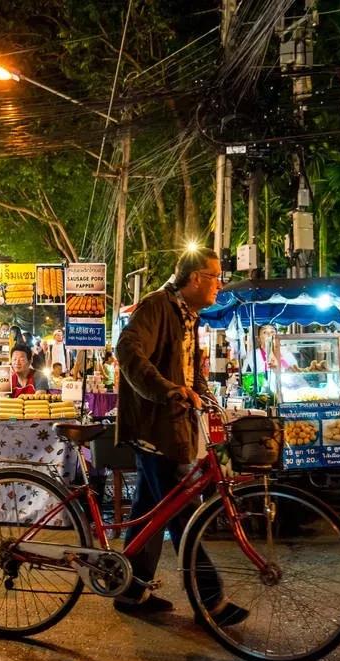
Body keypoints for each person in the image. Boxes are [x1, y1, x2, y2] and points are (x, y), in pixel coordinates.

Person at [115, 247, 246, 624]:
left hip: (174, 427)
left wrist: (205, 395)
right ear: (195, 278)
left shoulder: (188, 316)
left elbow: (188, 370)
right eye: (215, 277)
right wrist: (167, 390)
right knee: (181, 514)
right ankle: (211, 601)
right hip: (154, 428)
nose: (219, 285)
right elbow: (127, 350)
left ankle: (130, 590)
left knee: (149, 512)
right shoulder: (157, 305)